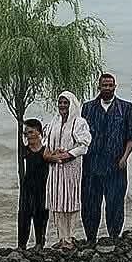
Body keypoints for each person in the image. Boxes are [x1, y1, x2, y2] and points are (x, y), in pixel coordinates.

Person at [81, 72, 132, 241]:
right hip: (92, 165)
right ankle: (90, 238)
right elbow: (80, 135)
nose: (107, 88)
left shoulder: (125, 108)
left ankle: (114, 237)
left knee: (115, 203)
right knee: (90, 203)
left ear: (115, 87)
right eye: (104, 85)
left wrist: (124, 157)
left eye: (110, 85)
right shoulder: (88, 108)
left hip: (116, 165)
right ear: (98, 87)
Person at [43, 91, 91, 250]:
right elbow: (46, 144)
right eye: (60, 102)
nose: (62, 106)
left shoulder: (79, 122)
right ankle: (61, 237)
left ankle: (70, 237)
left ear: (72, 104)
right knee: (57, 202)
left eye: (66, 103)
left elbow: (84, 146)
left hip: (71, 168)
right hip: (55, 169)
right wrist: (52, 155)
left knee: (71, 201)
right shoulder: (54, 122)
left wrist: (67, 155)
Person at [18, 119, 49, 251]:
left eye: (30, 132)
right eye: (26, 133)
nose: (28, 136)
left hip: (42, 188)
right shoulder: (24, 151)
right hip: (27, 187)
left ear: (38, 132)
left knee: (40, 214)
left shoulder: (46, 152)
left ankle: (39, 243)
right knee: (24, 215)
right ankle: (22, 245)